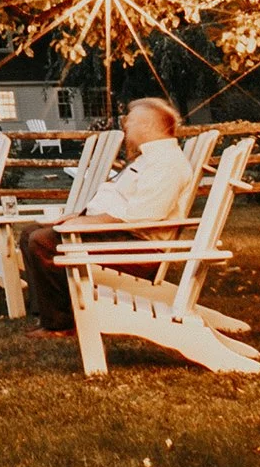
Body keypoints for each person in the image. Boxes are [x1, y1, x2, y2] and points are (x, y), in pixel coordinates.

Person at [22, 97, 197, 335]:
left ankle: (61, 324)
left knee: (43, 241)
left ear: (147, 126)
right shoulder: (149, 158)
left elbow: (142, 216)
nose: (126, 126)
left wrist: (85, 223)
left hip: (141, 250)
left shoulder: (166, 163)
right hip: (123, 237)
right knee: (29, 233)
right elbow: (119, 200)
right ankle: (47, 311)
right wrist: (77, 216)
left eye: (131, 121)